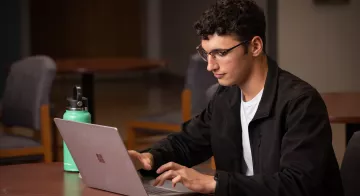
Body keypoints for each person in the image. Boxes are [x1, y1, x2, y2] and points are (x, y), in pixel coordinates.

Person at [128, 0, 344, 195]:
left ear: (255, 46)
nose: (210, 66)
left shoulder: (301, 103)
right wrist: (150, 158)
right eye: (206, 53)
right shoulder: (226, 96)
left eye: (221, 53)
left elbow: (297, 185)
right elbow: (188, 142)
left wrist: (215, 183)